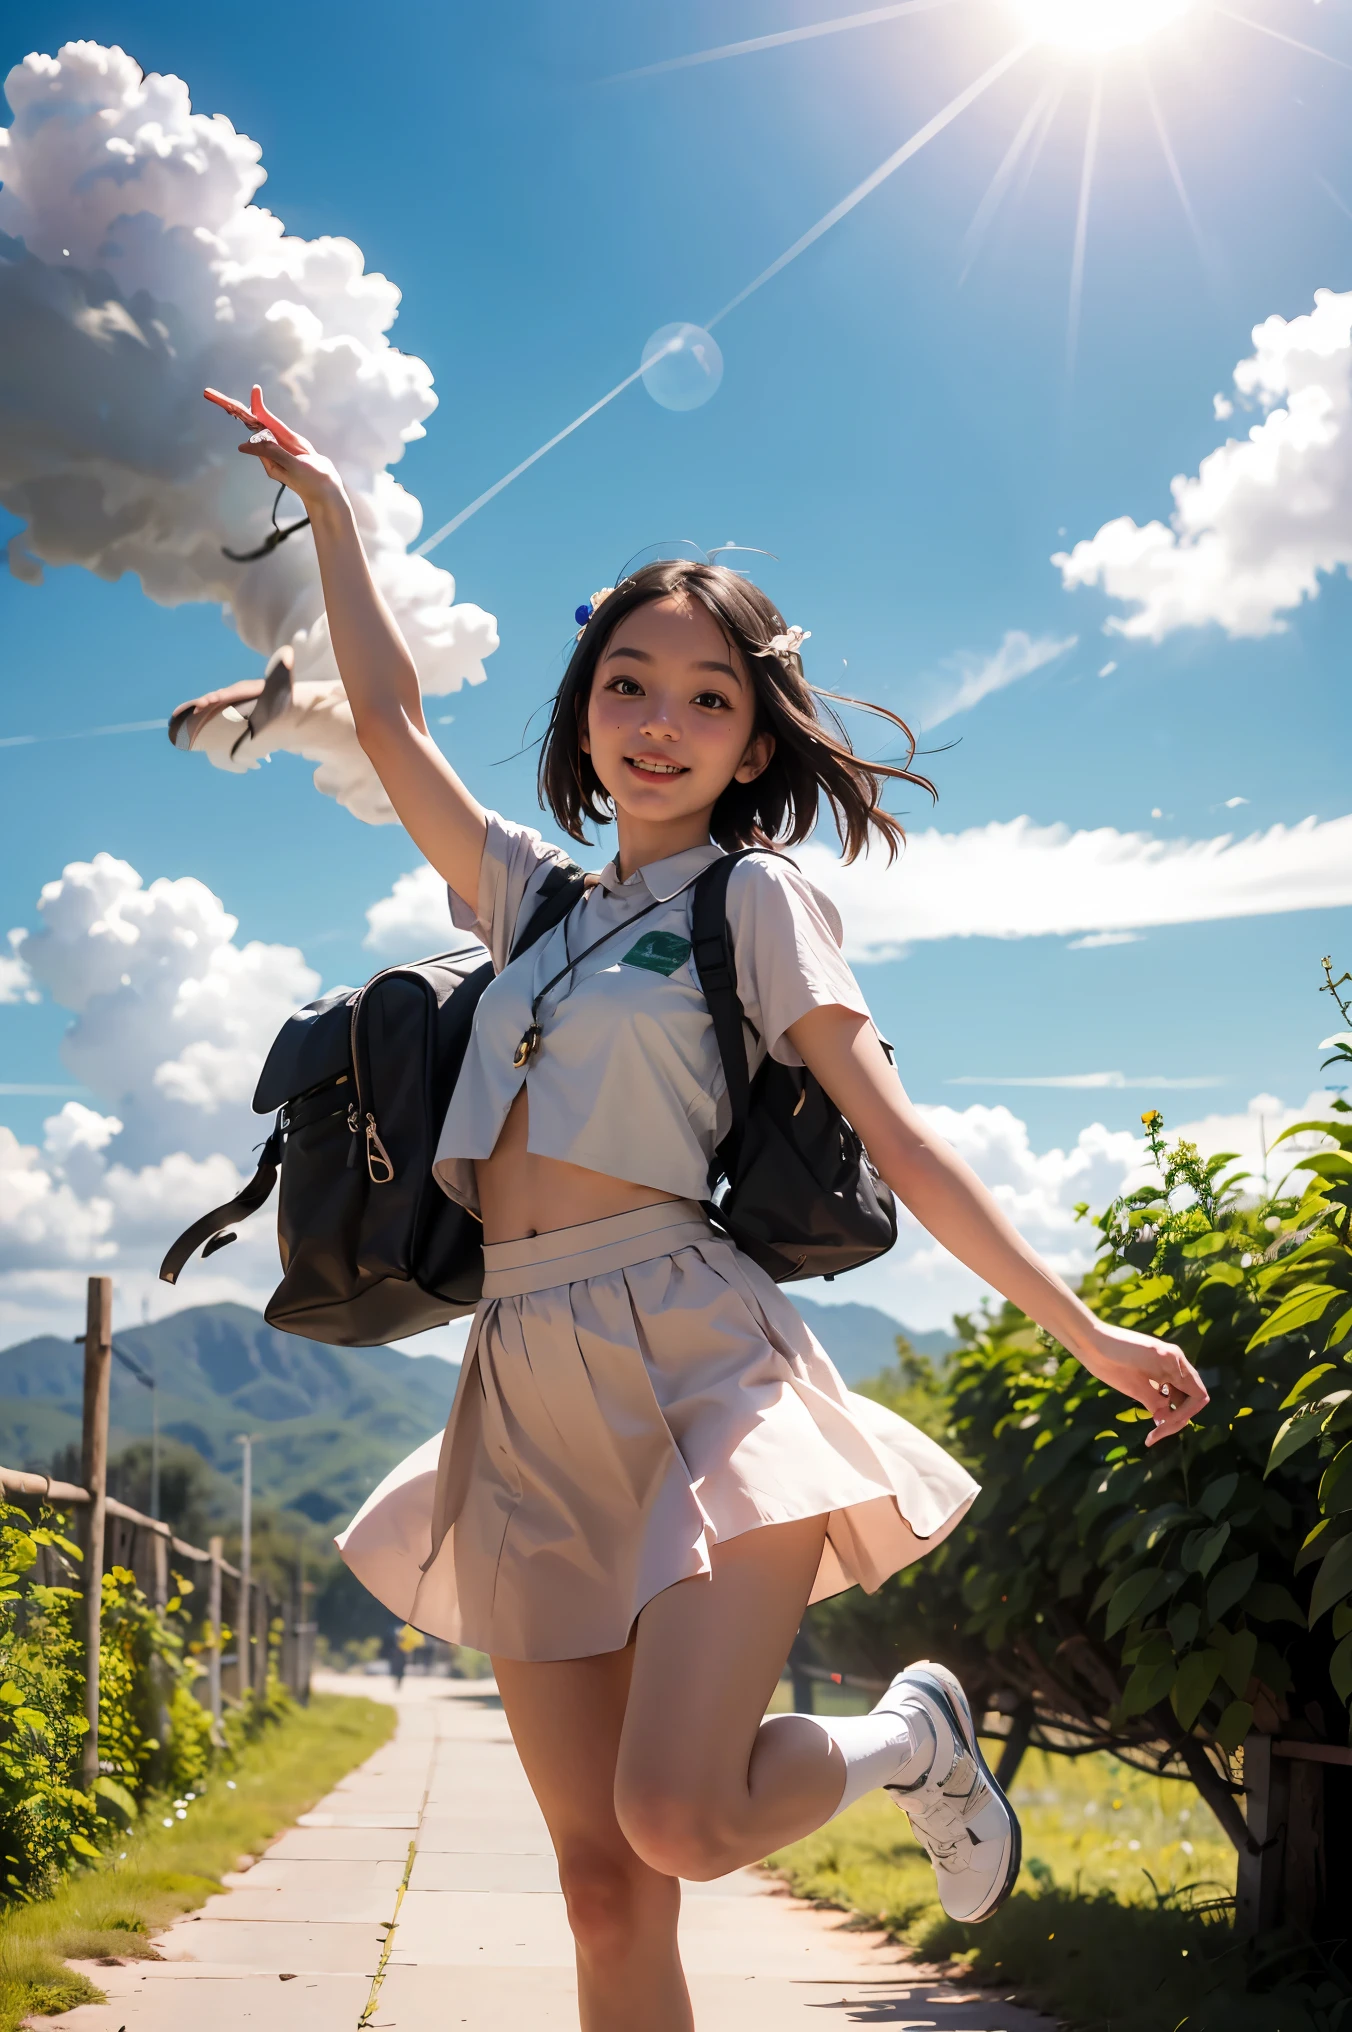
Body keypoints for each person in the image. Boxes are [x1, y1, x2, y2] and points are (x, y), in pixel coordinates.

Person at [204, 384, 1209, 2032]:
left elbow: (901, 1131)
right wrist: (331, 511)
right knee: (605, 1893)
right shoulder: (531, 897)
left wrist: (1079, 1327)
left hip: (695, 1367)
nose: (660, 720)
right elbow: (387, 723)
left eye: (707, 695)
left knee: (678, 1818)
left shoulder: (757, 897)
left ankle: (907, 1741)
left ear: (755, 737)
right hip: (521, 1383)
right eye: (628, 684)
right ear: (585, 711)